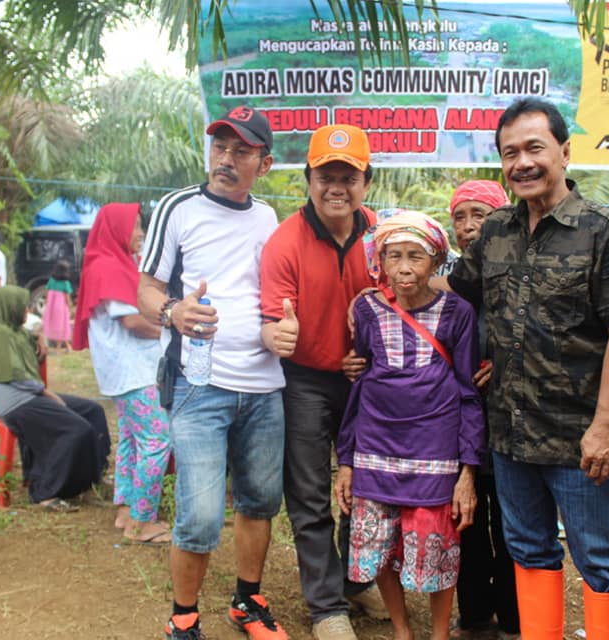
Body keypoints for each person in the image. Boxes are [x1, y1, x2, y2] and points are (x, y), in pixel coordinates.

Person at [443, 98, 609, 640]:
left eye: (535, 148)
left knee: (598, 557)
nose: (523, 163)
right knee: (529, 550)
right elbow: (454, 291)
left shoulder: (604, 230)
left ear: (564, 151)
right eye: (510, 153)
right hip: (510, 436)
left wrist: (605, 426)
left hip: (579, 438)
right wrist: (382, 295)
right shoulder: (497, 230)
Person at [137, 105, 288, 640]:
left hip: (264, 386)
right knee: (200, 514)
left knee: (259, 501)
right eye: (220, 147)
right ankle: (183, 618)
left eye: (241, 151)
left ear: (263, 164)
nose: (226, 158)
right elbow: (147, 288)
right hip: (199, 384)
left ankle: (248, 601)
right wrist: (171, 312)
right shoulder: (177, 207)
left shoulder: (268, 218)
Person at [259, 124, 388, 640]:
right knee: (310, 492)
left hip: (365, 381)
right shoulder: (283, 242)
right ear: (308, 180)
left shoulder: (380, 235)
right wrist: (278, 334)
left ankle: (356, 581)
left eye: (348, 177)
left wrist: (366, 354)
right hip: (305, 381)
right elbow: (273, 321)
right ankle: (326, 607)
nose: (337, 188)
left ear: (366, 182)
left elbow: (397, 301)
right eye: (325, 176)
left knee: (369, 487)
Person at [334, 210, 482, 640]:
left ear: (435, 261)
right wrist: (347, 461)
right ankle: (402, 628)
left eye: (415, 256)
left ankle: (438, 634)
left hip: (435, 449)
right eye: (393, 256)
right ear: (379, 261)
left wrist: (468, 471)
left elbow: (469, 392)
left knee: (437, 546)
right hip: (374, 445)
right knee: (377, 547)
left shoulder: (457, 312)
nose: (403, 268)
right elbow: (361, 381)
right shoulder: (366, 310)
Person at [444, 181, 520, 640]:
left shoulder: (523, 270)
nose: (470, 225)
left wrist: (508, 362)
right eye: (460, 216)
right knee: (466, 520)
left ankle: (513, 619)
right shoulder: (449, 280)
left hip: (514, 421)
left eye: (481, 214)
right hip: (458, 421)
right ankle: (474, 615)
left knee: (512, 522)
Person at [73, 202, 172, 545]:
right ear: (116, 228)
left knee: (132, 438)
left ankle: (127, 510)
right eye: (136, 226)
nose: (141, 233)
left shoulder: (111, 262)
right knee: (157, 439)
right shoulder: (108, 267)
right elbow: (131, 321)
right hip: (134, 371)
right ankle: (142, 522)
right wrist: (172, 331)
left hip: (124, 372)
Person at [0, 285, 110, 512]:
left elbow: (31, 346)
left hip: (30, 396)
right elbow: (14, 374)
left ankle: (91, 477)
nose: (28, 310)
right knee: (76, 429)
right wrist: (46, 393)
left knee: (93, 411)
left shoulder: (15, 331)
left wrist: (39, 337)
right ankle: (45, 492)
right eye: (23, 306)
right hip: (17, 403)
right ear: (9, 307)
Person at [42, 259, 74, 352]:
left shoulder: (51, 281)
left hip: (51, 307)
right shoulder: (66, 283)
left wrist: (46, 303)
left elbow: (47, 293)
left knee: (55, 325)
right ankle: (59, 348)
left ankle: (66, 346)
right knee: (62, 325)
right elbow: (67, 298)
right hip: (61, 308)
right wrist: (70, 307)